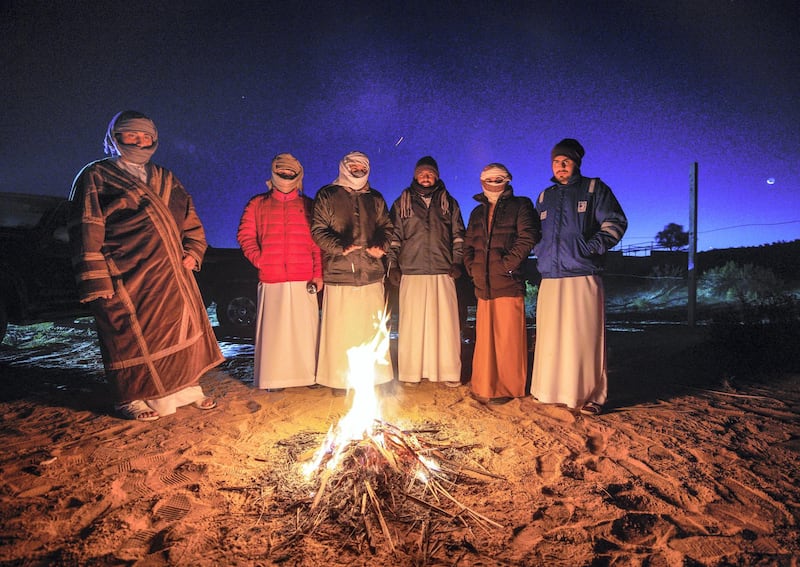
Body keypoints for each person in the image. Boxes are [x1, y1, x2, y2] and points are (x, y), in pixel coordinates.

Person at [68, 110, 223, 422]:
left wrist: (193, 250)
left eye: (146, 136)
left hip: (170, 274)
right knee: (128, 335)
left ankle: (184, 391)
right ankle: (131, 397)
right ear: (115, 138)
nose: (140, 142)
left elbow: (189, 220)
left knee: (175, 331)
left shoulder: (166, 178)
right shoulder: (95, 176)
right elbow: (86, 228)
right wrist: (96, 279)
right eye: (131, 136)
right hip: (126, 275)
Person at [530, 139, 627, 416]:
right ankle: (551, 391)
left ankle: (590, 396)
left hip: (583, 273)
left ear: (576, 163)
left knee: (584, 337)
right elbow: (535, 233)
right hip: (551, 275)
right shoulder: (544, 197)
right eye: (556, 161)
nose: (560, 166)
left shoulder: (594, 188)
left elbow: (615, 222)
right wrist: (540, 250)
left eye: (566, 161)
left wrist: (591, 247)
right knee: (551, 336)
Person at [237, 153, 323, 391]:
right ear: (274, 173)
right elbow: (245, 236)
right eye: (282, 172)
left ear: (298, 175)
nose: (286, 176)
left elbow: (317, 244)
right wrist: (260, 259)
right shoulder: (257, 204)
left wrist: (318, 274)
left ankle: (308, 376)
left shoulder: (308, 205)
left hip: (303, 277)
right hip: (271, 276)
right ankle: (275, 379)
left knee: (305, 331)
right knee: (275, 334)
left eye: (290, 173)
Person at [311, 151, 394, 392]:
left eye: (362, 166)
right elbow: (318, 230)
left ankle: (373, 378)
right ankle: (340, 380)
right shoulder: (327, 194)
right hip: (340, 274)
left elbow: (386, 228)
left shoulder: (375, 198)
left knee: (371, 329)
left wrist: (382, 245)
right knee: (341, 331)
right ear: (344, 167)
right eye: (353, 165)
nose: (358, 169)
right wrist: (341, 247)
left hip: (371, 273)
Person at [463, 163, 539, 405]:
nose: (494, 182)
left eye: (499, 178)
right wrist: (472, 268)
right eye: (489, 178)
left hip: (508, 281)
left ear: (507, 180)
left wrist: (508, 264)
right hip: (484, 284)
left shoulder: (521, 205)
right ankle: (485, 385)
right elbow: (468, 246)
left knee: (508, 339)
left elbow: (528, 236)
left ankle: (507, 387)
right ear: (482, 181)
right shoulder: (476, 213)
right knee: (485, 339)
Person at [387, 156, 465, 388]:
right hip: (412, 270)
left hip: (443, 270)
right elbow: (394, 237)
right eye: (422, 173)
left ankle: (448, 371)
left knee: (445, 325)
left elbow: (458, 235)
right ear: (415, 175)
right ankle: (412, 372)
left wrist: (457, 261)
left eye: (430, 173)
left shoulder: (448, 202)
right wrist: (393, 265)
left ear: (437, 176)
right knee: (413, 325)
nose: (426, 177)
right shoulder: (402, 202)